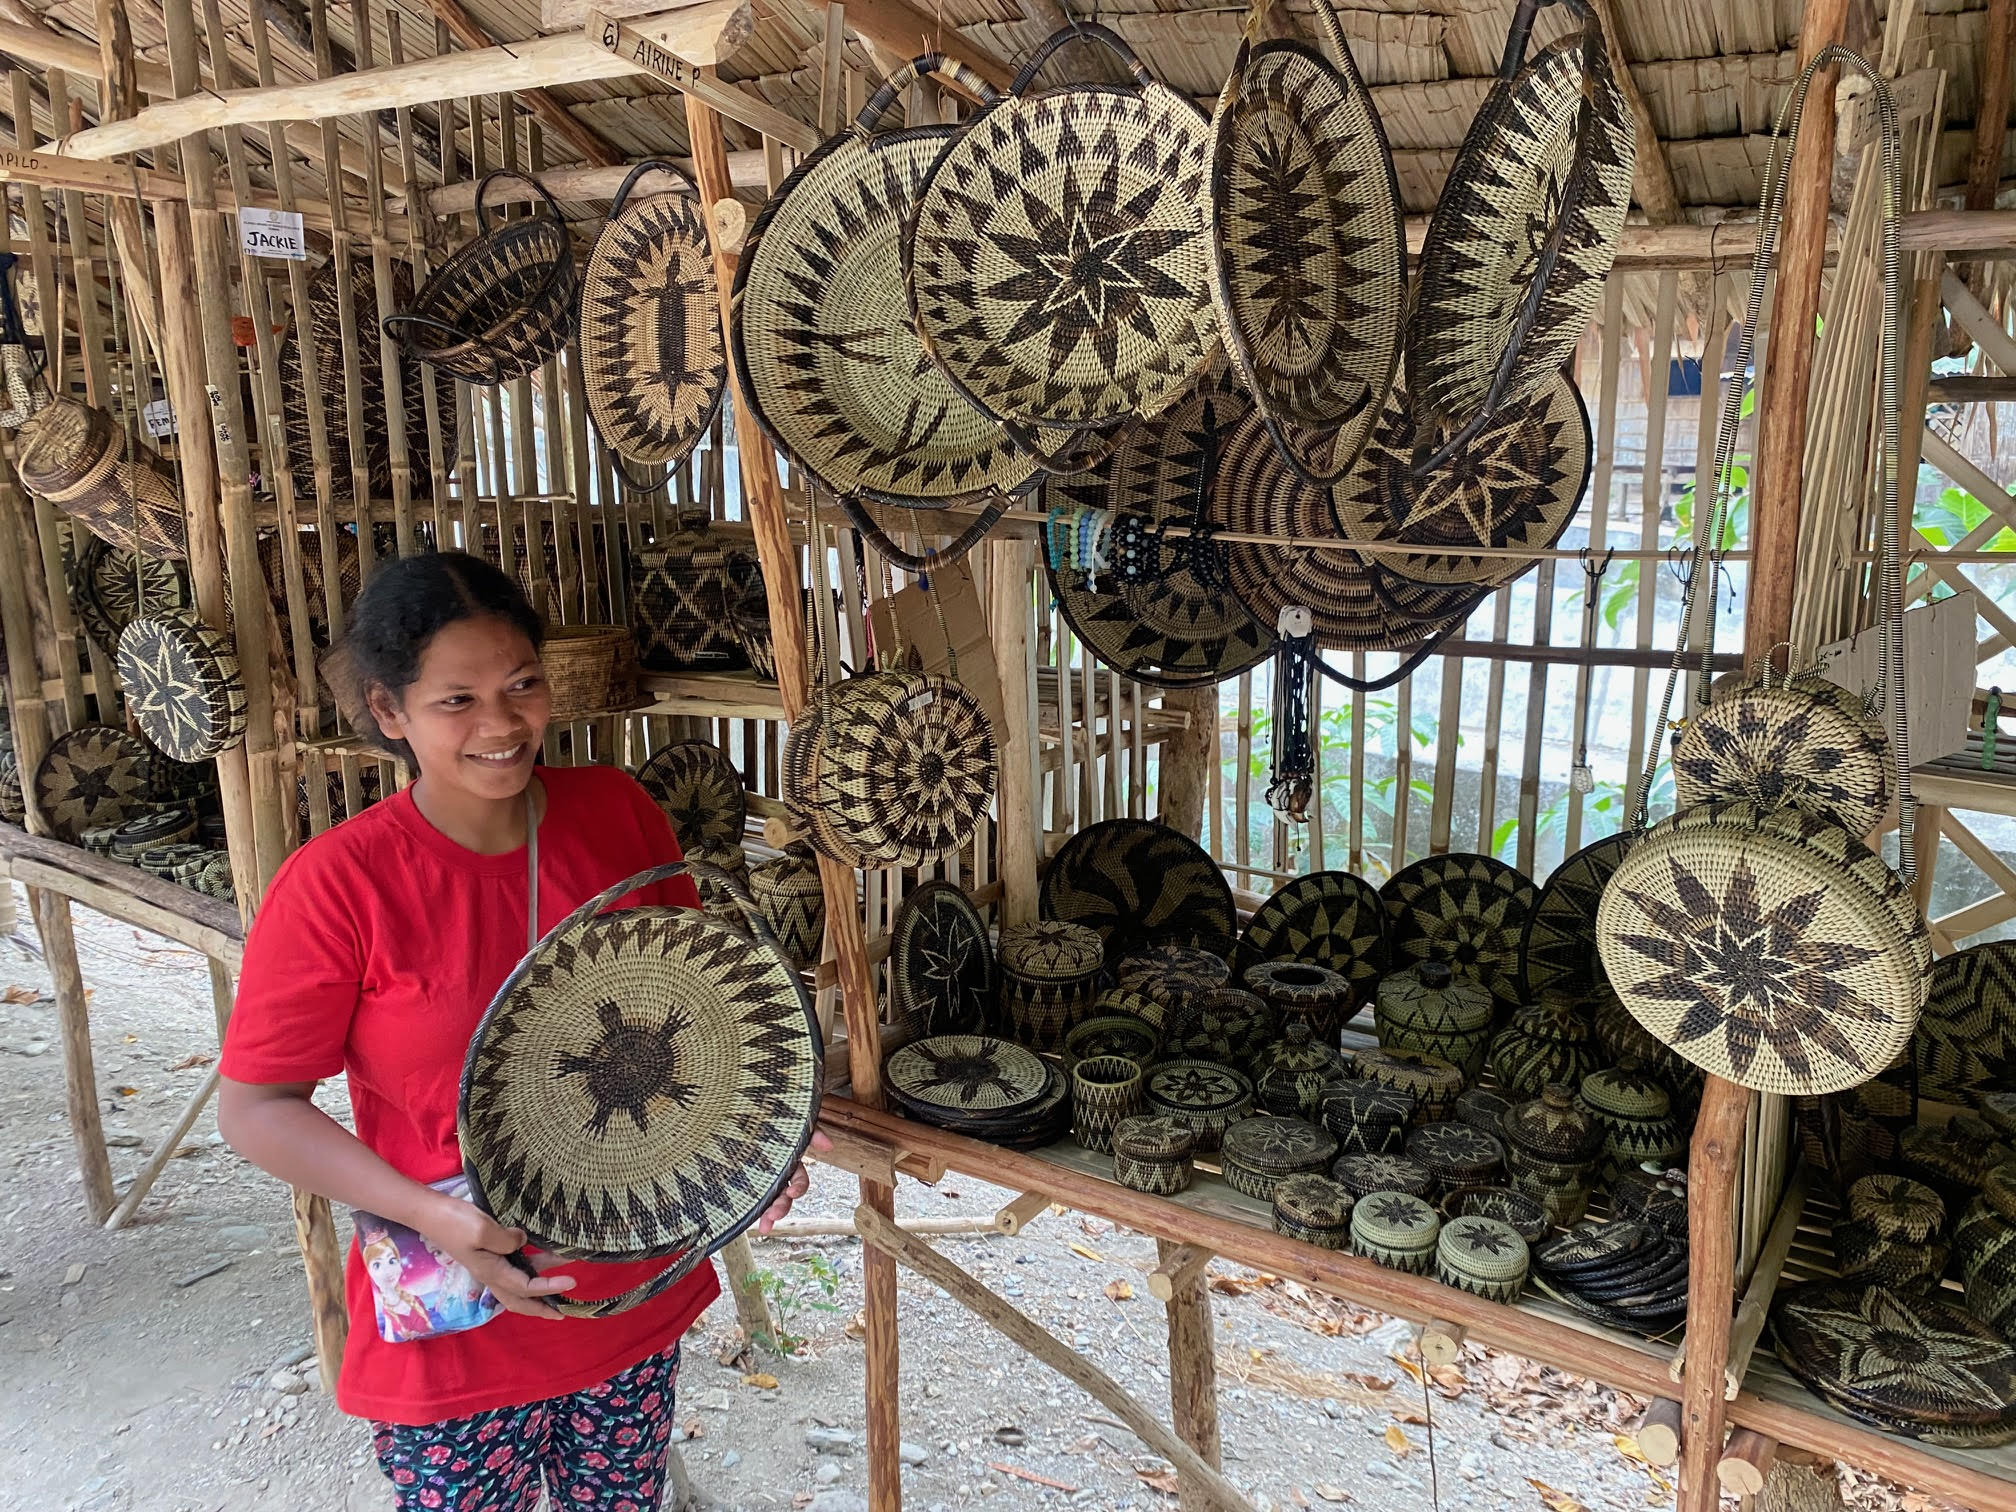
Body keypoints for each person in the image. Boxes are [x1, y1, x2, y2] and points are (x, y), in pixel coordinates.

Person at [220, 550, 820, 1512]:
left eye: (522, 685)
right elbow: (257, 1108)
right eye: (456, 700)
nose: (501, 725)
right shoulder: (341, 886)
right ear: (389, 713)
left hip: (626, 1285)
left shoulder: (617, 815)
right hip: (458, 1309)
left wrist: (761, 1144)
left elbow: (698, 1022)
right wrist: (437, 1217)